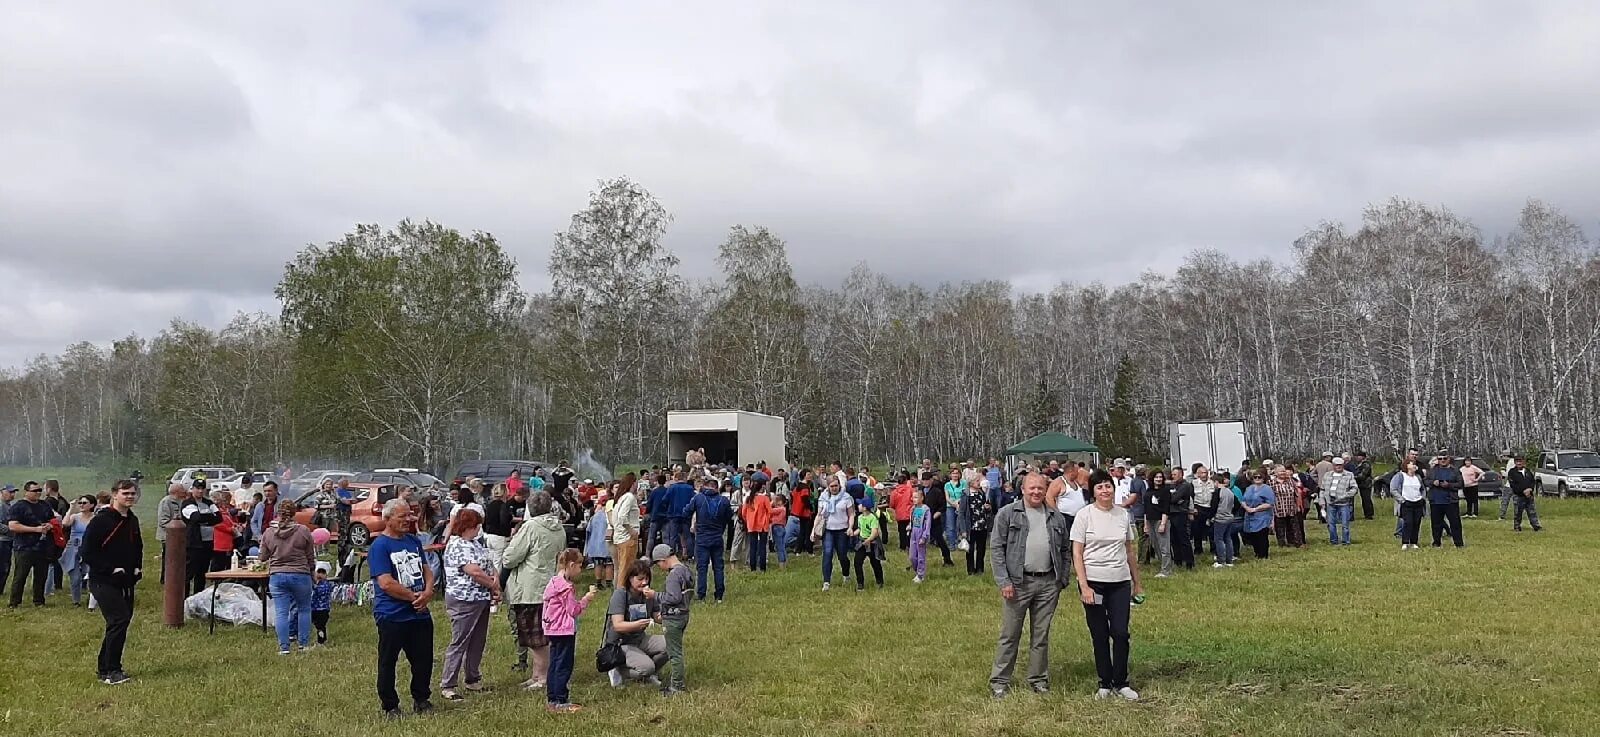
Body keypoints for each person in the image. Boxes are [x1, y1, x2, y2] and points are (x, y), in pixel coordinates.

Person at [988, 473, 1071, 698]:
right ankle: (999, 681)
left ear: (1046, 490)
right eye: (1032, 488)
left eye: (1040, 488)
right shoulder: (1007, 514)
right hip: (1017, 583)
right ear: (1023, 489)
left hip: (1048, 583)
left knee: (1041, 635)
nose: (1036, 492)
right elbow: (996, 549)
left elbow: (1065, 550)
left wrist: (1062, 579)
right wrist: (1004, 580)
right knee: (1010, 634)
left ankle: (1038, 679)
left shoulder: (1056, 516)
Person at [1071, 474, 1142, 700]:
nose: (1105, 491)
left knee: (1120, 632)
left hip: (1119, 582)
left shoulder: (1123, 514)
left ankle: (1121, 682)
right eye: (1100, 487)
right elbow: (1077, 553)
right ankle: (1105, 682)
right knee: (1099, 633)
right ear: (1093, 492)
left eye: (1108, 486)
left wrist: (1136, 583)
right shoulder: (1084, 516)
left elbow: (1129, 550)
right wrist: (1084, 586)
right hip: (1094, 582)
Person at [370, 498, 436, 718]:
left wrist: (427, 591)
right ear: (388, 519)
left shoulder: (413, 541)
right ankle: (390, 705)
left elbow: (426, 568)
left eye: (410, 515)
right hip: (392, 614)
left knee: (423, 659)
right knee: (388, 661)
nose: (409, 520)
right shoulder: (380, 546)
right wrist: (412, 597)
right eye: (403, 516)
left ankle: (421, 698)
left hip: (419, 613)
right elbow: (385, 583)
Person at [83, 480, 141, 684]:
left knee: (119, 622)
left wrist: (136, 567)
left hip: (126, 581)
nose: (130, 497)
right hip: (102, 580)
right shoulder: (101, 520)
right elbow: (88, 552)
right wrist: (109, 569)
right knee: (119, 619)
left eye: (133, 493)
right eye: (125, 493)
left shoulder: (132, 519)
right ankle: (112, 671)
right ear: (114, 495)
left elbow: (137, 546)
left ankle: (105, 668)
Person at [504, 491, 563, 689]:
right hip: (549, 583)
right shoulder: (558, 528)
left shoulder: (530, 527)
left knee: (536, 637)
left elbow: (511, 557)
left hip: (530, 587)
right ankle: (537, 674)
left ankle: (542, 677)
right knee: (538, 635)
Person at [438, 508, 499, 701]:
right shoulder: (457, 545)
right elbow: (474, 571)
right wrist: (492, 584)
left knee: (478, 640)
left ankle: (473, 678)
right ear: (466, 527)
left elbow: (489, 564)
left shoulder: (476, 543)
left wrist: (495, 582)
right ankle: (448, 684)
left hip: (480, 598)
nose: (478, 529)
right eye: (476, 526)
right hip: (463, 599)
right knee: (460, 641)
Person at [542, 548, 597, 713]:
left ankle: (552, 698)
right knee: (564, 664)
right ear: (571, 565)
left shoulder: (553, 582)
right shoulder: (566, 587)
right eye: (580, 566)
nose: (580, 570)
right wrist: (586, 599)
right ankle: (560, 699)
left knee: (554, 663)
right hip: (564, 629)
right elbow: (573, 610)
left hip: (552, 628)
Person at [260, 501, 316, 655]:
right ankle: (303, 644)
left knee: (281, 612)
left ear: (277, 513)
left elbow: (263, 557)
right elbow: (310, 556)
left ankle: (284, 647)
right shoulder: (303, 531)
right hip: (300, 574)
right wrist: (312, 571)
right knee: (304, 609)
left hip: (277, 576)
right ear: (294, 513)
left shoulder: (269, 533)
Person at [605, 559, 667, 687]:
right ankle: (618, 669)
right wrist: (637, 625)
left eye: (646, 579)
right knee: (647, 667)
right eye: (640, 579)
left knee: (671, 644)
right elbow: (617, 625)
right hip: (621, 643)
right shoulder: (620, 595)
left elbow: (657, 617)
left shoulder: (648, 595)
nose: (644, 583)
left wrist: (672, 615)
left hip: (640, 639)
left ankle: (647, 672)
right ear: (630, 579)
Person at [650, 544, 692, 696]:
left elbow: (673, 598)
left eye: (658, 563)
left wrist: (655, 595)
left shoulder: (673, 575)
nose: (659, 566)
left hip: (674, 619)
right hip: (683, 615)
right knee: (675, 650)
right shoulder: (685, 570)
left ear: (663, 559)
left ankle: (677, 686)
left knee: (674, 653)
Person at [8, 481, 57, 608]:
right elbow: (13, 526)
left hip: (42, 546)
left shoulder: (44, 505)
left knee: (41, 575)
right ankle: (14, 602)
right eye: (35, 491)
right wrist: (35, 529)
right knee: (20, 576)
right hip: (24, 546)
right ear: (27, 492)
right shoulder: (19, 506)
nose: (38, 493)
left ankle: (39, 600)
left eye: (40, 490)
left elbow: (53, 519)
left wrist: (50, 525)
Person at [686, 476, 732, 602]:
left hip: (702, 537)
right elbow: (729, 518)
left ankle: (701, 595)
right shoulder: (723, 500)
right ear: (717, 488)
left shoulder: (698, 498)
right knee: (718, 567)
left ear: (705, 486)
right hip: (717, 536)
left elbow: (686, 511)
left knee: (702, 567)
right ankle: (719, 595)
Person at [817, 476, 855, 591]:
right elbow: (819, 515)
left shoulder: (846, 498)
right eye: (832, 486)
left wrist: (850, 527)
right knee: (827, 553)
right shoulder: (823, 498)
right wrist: (814, 529)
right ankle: (826, 582)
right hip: (828, 529)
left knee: (842, 555)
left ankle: (846, 574)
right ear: (828, 487)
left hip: (842, 530)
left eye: (836, 486)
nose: (834, 488)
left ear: (839, 485)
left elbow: (851, 514)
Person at [61, 495, 96, 606]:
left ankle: (93, 600)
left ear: (92, 505)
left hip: (89, 548)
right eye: (80, 503)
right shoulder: (75, 517)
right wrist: (71, 508)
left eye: (84, 503)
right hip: (74, 547)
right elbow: (65, 524)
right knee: (75, 577)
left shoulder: (96, 518)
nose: (81, 505)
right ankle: (76, 601)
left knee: (91, 575)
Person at [1426, 454, 1465, 548]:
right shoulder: (1432, 470)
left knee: (1455, 523)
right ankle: (1436, 542)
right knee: (1436, 524)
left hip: (1451, 501)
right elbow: (1425, 481)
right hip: (1436, 501)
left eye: (1444, 458)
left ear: (1449, 459)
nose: (1442, 460)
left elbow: (1460, 484)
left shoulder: (1455, 470)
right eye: (1440, 459)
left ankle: (1459, 543)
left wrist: (1449, 485)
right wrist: (1433, 482)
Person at [610, 474, 641, 588]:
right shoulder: (630, 497)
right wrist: (631, 530)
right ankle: (621, 593)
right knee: (626, 569)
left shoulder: (621, 498)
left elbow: (615, 517)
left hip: (620, 537)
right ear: (633, 483)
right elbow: (622, 517)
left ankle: (621, 591)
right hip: (628, 538)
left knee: (622, 567)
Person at [1319, 457, 1358, 546]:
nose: (1338, 467)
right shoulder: (1327, 475)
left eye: (1340, 465)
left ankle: (1345, 541)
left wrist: (1345, 496)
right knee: (1331, 524)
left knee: (1345, 524)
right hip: (1330, 504)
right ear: (1333, 465)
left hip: (1344, 503)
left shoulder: (1349, 475)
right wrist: (1322, 501)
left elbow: (1354, 488)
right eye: (1336, 465)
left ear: (1343, 465)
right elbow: (1322, 489)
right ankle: (1334, 541)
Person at [850, 498, 884, 591]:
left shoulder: (873, 518)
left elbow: (875, 532)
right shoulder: (860, 517)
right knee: (857, 562)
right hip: (862, 543)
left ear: (864, 508)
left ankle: (880, 581)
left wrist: (869, 540)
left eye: (860, 504)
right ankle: (860, 583)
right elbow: (860, 529)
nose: (858, 506)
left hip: (872, 544)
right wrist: (853, 533)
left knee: (875, 563)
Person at [1392, 459, 1427, 549]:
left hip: (1418, 502)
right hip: (1406, 503)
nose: (1414, 466)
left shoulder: (1418, 477)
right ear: (1406, 466)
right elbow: (1393, 489)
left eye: (1414, 464)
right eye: (1412, 464)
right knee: (1408, 522)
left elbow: (1422, 489)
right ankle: (1405, 542)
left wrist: (1422, 498)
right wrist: (1402, 500)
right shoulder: (1400, 476)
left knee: (1417, 522)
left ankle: (1414, 542)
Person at [1144, 471, 1174, 576]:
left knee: (1164, 546)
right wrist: (1146, 524)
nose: (1158, 479)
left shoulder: (1165, 491)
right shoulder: (1148, 491)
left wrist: (1163, 523)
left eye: (1160, 477)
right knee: (1155, 545)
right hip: (1150, 520)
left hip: (1160, 520)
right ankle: (1163, 566)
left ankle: (1166, 571)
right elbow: (1146, 509)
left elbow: (1166, 509)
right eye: (1156, 477)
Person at [1241, 472, 1276, 559]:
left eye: (1259, 477)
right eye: (1255, 477)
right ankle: (1256, 553)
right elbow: (1243, 500)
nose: (1257, 478)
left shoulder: (1267, 489)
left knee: (1262, 536)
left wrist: (1255, 509)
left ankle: (1263, 555)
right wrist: (1246, 508)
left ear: (1263, 478)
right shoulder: (1249, 488)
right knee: (1253, 536)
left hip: (1262, 515)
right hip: (1250, 516)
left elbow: (1270, 503)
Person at [583, 489, 613, 588]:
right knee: (609, 564)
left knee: (598, 564)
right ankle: (609, 582)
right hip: (607, 544)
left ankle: (598, 582)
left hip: (596, 546)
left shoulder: (594, 517)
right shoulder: (610, 517)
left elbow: (588, 530)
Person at [965, 478, 996, 575]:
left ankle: (980, 569)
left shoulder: (982, 494)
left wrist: (988, 508)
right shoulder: (966, 496)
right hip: (971, 526)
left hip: (982, 524)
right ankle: (970, 570)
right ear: (971, 483)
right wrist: (963, 530)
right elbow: (962, 513)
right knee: (970, 549)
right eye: (977, 481)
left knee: (981, 548)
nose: (979, 483)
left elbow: (987, 507)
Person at [922, 473, 953, 567]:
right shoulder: (920, 491)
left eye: (927, 479)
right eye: (924, 479)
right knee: (918, 541)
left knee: (940, 540)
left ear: (931, 480)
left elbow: (943, 506)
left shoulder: (937, 492)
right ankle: (916, 562)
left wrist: (937, 514)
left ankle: (947, 560)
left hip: (934, 521)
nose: (925, 481)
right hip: (922, 521)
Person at [1210, 475, 1242, 567]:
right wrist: (1232, 512)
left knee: (1218, 539)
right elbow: (1237, 504)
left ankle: (1221, 560)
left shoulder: (1218, 492)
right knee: (1228, 539)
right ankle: (1229, 560)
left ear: (1216, 482)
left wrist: (1210, 517)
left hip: (1220, 518)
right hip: (1229, 517)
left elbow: (1214, 507)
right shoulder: (1230, 492)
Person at [741, 479, 772, 572]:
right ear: (761, 488)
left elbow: (743, 512)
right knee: (762, 546)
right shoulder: (765, 498)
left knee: (752, 546)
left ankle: (753, 567)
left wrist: (748, 520)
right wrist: (768, 520)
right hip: (763, 525)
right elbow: (770, 511)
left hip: (752, 525)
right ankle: (762, 568)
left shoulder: (748, 499)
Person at [1506, 457, 1542, 532]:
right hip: (1518, 496)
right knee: (1518, 512)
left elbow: (1532, 481)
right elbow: (1513, 485)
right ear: (1515, 463)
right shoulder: (1512, 472)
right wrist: (1523, 491)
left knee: (1532, 512)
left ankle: (1536, 526)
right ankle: (1517, 526)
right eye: (1517, 461)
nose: (1519, 463)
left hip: (1529, 496)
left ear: (1523, 462)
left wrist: (1530, 489)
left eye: (1520, 461)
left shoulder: (1527, 471)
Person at [211, 491, 237, 572]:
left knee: (228, 562)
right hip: (219, 541)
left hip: (229, 539)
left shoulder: (227, 510)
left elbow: (231, 521)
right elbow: (216, 523)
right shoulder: (214, 510)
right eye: (222, 500)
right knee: (218, 563)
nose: (224, 502)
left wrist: (236, 525)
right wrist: (230, 529)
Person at [909, 487, 931, 583]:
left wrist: (924, 536)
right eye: (913, 497)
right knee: (912, 556)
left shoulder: (925, 509)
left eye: (916, 497)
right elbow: (912, 520)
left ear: (922, 498)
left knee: (921, 554)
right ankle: (917, 570)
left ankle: (920, 574)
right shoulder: (913, 508)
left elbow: (928, 524)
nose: (914, 499)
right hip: (913, 532)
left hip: (921, 533)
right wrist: (909, 526)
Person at [311, 563, 333, 645]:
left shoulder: (326, 585)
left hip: (323, 610)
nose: (320, 575)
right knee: (317, 626)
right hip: (314, 609)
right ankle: (321, 639)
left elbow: (320, 592)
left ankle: (321, 641)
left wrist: (315, 587)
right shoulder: (315, 584)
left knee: (321, 626)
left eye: (323, 573)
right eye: (318, 572)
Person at [1349, 451, 1375, 520]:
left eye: (1358, 456)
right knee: (1364, 499)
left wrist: (1353, 477)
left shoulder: (1366, 464)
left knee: (1366, 499)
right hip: (1362, 484)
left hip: (1366, 484)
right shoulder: (1360, 464)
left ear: (1363, 457)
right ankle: (1367, 513)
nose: (1357, 457)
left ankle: (1369, 514)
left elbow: (1363, 475)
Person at [890, 475, 914, 550]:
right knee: (910, 530)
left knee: (901, 531)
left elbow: (892, 504)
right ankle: (910, 545)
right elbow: (914, 500)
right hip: (909, 513)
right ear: (906, 481)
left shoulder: (894, 492)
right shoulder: (910, 490)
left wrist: (897, 508)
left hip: (899, 514)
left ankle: (902, 546)